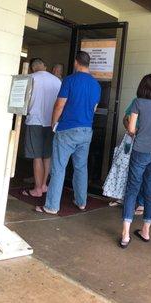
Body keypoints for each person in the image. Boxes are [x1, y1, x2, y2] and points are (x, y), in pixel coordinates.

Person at [36, 51, 101, 214]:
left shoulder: (69, 80)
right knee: (81, 167)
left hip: (67, 130)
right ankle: (81, 202)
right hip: (86, 130)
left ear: (76, 62)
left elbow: (59, 105)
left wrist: (54, 124)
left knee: (58, 168)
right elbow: (94, 108)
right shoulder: (96, 85)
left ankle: (51, 206)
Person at [119, 74, 151, 248]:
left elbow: (131, 129)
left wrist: (137, 133)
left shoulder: (138, 103)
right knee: (150, 190)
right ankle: (145, 231)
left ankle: (125, 234)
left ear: (142, 87)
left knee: (132, 188)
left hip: (140, 151)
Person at [23, 58, 61, 197]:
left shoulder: (29, 78)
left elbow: (22, 101)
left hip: (35, 121)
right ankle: (44, 185)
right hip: (51, 122)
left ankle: (37, 189)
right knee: (47, 155)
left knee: (37, 156)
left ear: (33, 68)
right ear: (45, 66)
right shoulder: (57, 81)